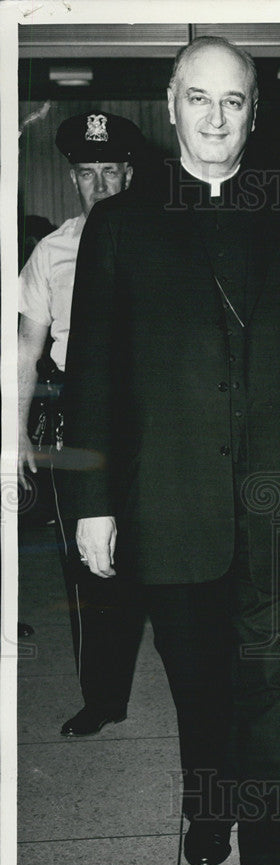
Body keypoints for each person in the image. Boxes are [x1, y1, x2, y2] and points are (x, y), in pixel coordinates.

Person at [59, 36, 280, 865]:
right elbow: (94, 380)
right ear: (170, 102)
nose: (216, 117)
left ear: (254, 111)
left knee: (272, 690)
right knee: (201, 687)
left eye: (233, 101)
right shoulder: (120, 227)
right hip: (171, 503)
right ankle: (207, 798)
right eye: (199, 98)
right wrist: (91, 502)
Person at [18, 111, 147, 737]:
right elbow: (24, 347)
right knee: (89, 567)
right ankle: (102, 697)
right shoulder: (54, 251)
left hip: (155, 415)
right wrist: (14, 433)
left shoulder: (164, 240)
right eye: (85, 174)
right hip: (82, 417)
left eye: (109, 173)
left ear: (129, 175)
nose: (98, 186)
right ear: (74, 180)